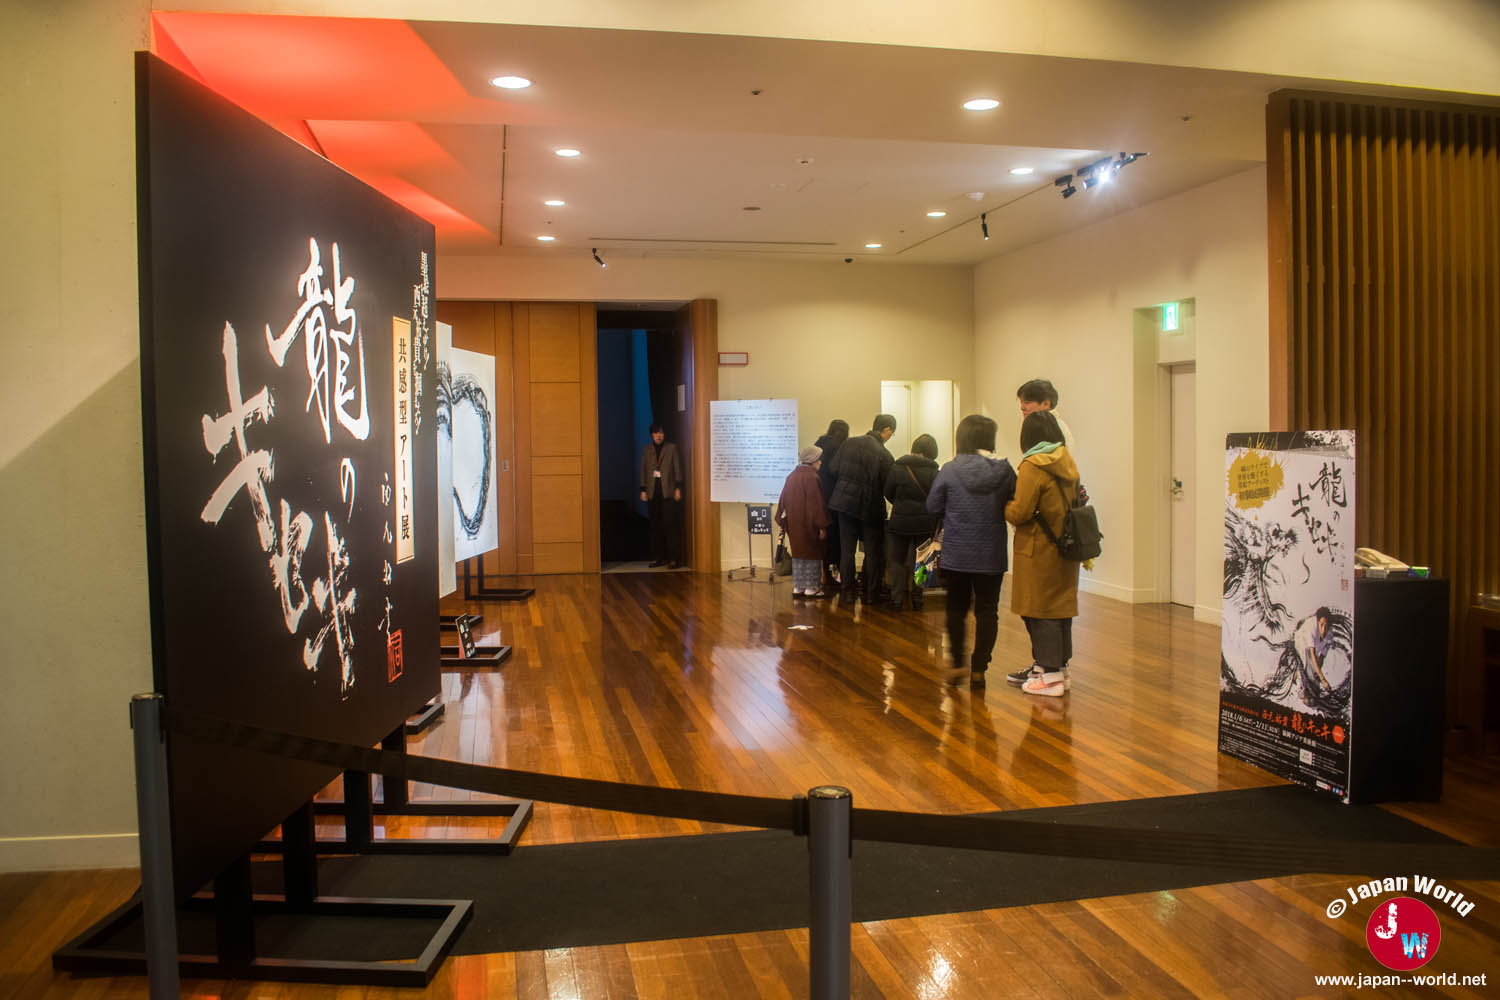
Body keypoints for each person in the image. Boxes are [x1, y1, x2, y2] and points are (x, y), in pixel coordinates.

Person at [927, 415, 1016, 686]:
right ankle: (979, 669)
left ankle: (957, 665)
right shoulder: (1005, 471)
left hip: (957, 553)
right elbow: (1017, 504)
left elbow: (932, 506)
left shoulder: (950, 469)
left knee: (956, 608)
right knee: (988, 610)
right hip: (991, 553)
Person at [1004, 410, 1082, 697]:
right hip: (1065, 545)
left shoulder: (1032, 465)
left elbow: (1021, 510)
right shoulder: (1067, 461)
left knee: (1038, 609)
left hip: (1038, 548)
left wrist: (1004, 507)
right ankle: (1058, 668)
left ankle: (1048, 675)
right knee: (1060, 608)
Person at [827, 414, 896, 605]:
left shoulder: (849, 443)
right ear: (887, 430)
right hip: (870, 507)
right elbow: (888, 486)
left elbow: (833, 468)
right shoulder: (885, 455)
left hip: (844, 504)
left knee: (847, 551)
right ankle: (870, 594)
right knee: (873, 552)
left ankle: (847, 592)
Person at [882, 434, 940, 611]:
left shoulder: (897, 468)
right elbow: (937, 498)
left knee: (897, 560)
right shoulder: (934, 473)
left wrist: (900, 505)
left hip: (900, 520)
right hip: (924, 522)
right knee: (921, 560)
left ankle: (896, 599)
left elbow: (888, 491)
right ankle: (917, 598)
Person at [776, 445, 832, 598]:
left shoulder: (791, 476)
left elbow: (783, 501)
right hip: (809, 524)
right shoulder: (812, 477)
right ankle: (811, 587)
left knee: (798, 554)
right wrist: (822, 525)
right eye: (819, 459)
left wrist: (784, 522)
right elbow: (817, 504)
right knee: (812, 553)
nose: (821, 462)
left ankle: (798, 587)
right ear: (813, 460)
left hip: (794, 523)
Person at [638, 422, 683, 568]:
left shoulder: (671, 448)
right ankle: (659, 558)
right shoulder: (647, 449)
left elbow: (677, 469)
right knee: (655, 527)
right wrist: (643, 489)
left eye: (661, 433)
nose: (659, 435)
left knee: (670, 526)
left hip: (668, 493)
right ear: (652, 434)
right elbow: (643, 470)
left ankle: (674, 559)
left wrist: (678, 488)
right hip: (652, 493)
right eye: (656, 433)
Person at [813, 419, 850, 588]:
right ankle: (835, 573)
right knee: (836, 536)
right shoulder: (841, 448)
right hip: (835, 498)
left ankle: (822, 573)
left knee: (821, 536)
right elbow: (839, 472)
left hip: (818, 496)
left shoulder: (818, 446)